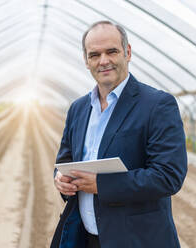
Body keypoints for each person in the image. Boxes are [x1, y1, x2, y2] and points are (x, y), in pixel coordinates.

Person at [51, 20, 187, 248]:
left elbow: (168, 176)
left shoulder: (157, 105)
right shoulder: (78, 108)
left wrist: (101, 185)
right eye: (94, 55)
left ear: (128, 52)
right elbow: (65, 159)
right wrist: (61, 179)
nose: (103, 61)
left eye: (111, 51)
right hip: (85, 238)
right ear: (86, 61)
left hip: (137, 240)